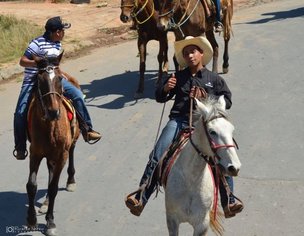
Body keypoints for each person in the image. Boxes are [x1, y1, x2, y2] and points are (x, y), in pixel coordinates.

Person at [125, 36, 243, 218]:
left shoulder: (214, 79)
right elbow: (159, 98)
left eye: (193, 51)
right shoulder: (178, 77)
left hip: (202, 124)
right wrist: (165, 88)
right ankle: (141, 197)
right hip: (178, 121)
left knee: (220, 153)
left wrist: (206, 97)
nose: (189, 55)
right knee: (158, 153)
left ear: (201, 54)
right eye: (186, 53)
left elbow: (227, 100)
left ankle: (229, 201)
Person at [13, 16, 101, 160]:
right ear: (56, 32)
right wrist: (38, 65)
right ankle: (21, 146)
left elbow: (55, 66)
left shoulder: (57, 45)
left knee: (78, 95)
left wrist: (60, 73)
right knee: (20, 112)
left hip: (53, 80)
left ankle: (87, 129)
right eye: (62, 31)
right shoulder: (37, 44)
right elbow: (22, 61)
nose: (64, 34)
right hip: (34, 80)